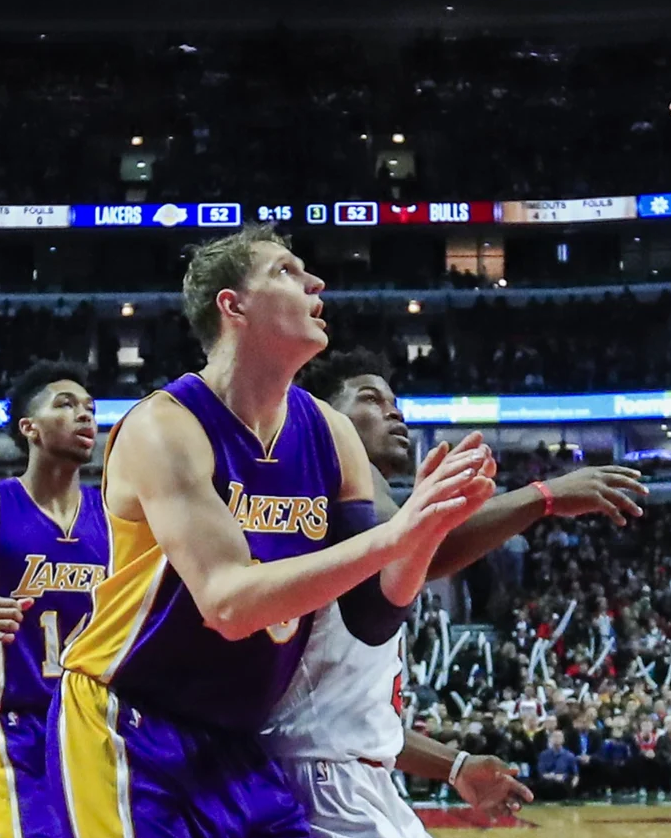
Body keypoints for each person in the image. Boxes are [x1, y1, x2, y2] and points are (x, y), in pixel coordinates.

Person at [48, 225, 498, 838]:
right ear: (232, 306)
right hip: (125, 719)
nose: (315, 282)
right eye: (286, 271)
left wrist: (424, 532)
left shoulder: (330, 432)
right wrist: (398, 537)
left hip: (235, 738)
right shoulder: (166, 426)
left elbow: (370, 614)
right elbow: (229, 603)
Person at [262, 348, 647, 837]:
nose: (393, 411)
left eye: (394, 400)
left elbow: (356, 726)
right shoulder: (341, 480)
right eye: (371, 399)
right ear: (327, 418)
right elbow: (410, 552)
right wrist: (542, 497)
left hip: (341, 776)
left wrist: (456, 765)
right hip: (322, 785)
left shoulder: (353, 506)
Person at [0, 363, 109, 838]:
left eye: (90, 408)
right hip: (7, 728)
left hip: (88, 728)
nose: (84, 416)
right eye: (66, 405)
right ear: (29, 428)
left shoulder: (115, 519)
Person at [534, 730, 580, 802]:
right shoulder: (543, 755)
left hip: (563, 783)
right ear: (550, 739)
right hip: (548, 782)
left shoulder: (569, 755)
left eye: (559, 737)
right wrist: (554, 776)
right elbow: (542, 773)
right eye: (554, 737)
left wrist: (572, 784)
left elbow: (575, 774)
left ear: (563, 739)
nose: (557, 739)